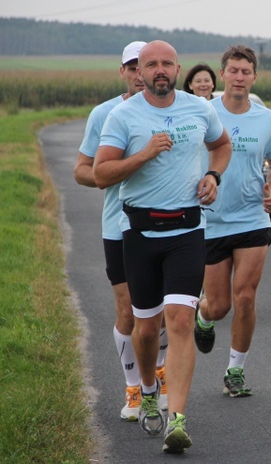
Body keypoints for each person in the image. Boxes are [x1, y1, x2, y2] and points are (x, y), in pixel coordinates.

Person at [94, 40, 232, 454]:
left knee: (181, 321)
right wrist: (143, 154)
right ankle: (150, 389)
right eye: (150, 64)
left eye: (166, 63)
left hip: (188, 231)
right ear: (140, 72)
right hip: (139, 234)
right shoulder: (124, 115)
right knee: (147, 327)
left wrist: (213, 176)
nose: (158, 70)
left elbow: (222, 145)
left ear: (177, 69)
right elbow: (101, 174)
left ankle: (178, 418)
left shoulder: (199, 108)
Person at [74, 40, 170, 420]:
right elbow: (84, 171)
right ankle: (134, 388)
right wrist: (116, 170)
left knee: (163, 312)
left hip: (170, 226)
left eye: (142, 66)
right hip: (119, 225)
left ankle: (159, 372)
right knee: (129, 311)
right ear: (124, 72)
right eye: (131, 67)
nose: (137, 74)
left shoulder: (174, 109)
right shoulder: (105, 114)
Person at [193, 45, 271, 398]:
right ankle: (204, 316)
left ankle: (235, 370)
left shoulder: (267, 119)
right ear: (223, 74)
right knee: (220, 305)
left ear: (254, 77)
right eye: (234, 70)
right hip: (211, 218)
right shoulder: (204, 112)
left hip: (251, 217)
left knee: (245, 297)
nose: (240, 77)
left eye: (246, 72)